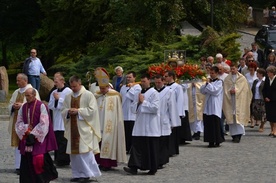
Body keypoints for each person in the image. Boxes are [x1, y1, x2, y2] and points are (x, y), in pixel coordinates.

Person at [62, 75, 102, 182]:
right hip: (72, 128)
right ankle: (77, 174)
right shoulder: (68, 96)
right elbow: (63, 109)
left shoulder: (88, 95)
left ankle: (87, 174)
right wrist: (68, 112)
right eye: (71, 86)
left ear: (80, 84)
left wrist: (78, 111)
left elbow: (92, 111)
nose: (73, 88)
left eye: (75, 86)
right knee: (74, 154)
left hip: (84, 129)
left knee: (84, 153)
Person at [15, 88, 58, 183]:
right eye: (26, 96)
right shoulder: (23, 107)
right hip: (26, 138)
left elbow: (44, 123)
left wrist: (33, 134)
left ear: (34, 95)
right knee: (26, 163)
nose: (27, 98)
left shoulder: (41, 106)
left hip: (38, 139)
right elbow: (19, 121)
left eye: (28, 96)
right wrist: (26, 130)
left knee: (38, 162)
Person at [123, 74, 160, 175]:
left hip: (150, 124)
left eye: (144, 81)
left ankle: (152, 168)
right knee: (136, 146)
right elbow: (133, 108)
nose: (143, 83)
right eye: (142, 81)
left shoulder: (154, 93)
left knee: (150, 147)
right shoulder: (138, 92)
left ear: (149, 81)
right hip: (139, 124)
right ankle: (133, 167)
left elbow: (155, 108)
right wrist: (138, 103)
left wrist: (143, 102)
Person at [94, 67, 127, 171]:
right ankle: (99, 162)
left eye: (103, 88)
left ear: (108, 86)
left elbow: (117, 112)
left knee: (108, 142)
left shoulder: (115, 96)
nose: (102, 90)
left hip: (110, 125)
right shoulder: (97, 95)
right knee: (99, 143)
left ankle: (107, 163)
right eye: (100, 88)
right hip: (99, 123)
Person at [8, 73, 40, 175]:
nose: (17, 82)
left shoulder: (33, 91)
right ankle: (18, 166)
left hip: (27, 123)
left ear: (25, 81)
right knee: (17, 144)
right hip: (16, 122)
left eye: (18, 80)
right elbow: (10, 104)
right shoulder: (16, 92)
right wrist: (13, 106)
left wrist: (21, 105)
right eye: (16, 80)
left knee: (26, 143)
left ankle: (26, 166)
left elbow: (36, 105)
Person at [154, 75, 179, 169]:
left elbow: (172, 107)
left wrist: (173, 122)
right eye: (156, 82)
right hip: (155, 120)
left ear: (163, 81)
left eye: (159, 82)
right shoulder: (153, 91)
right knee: (156, 141)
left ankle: (162, 160)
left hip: (165, 119)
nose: (157, 84)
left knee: (163, 141)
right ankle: (156, 159)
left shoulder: (169, 91)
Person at [223, 63, 252, 143]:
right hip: (230, 100)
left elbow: (245, 90)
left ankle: (238, 135)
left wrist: (237, 91)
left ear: (237, 69)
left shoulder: (242, 78)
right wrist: (229, 91)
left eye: (234, 69)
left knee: (238, 117)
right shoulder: (227, 79)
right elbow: (225, 88)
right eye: (231, 69)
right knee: (232, 118)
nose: (232, 70)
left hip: (239, 100)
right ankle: (233, 135)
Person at [48, 74, 72, 167]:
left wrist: (59, 99)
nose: (55, 83)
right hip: (56, 117)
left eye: (56, 82)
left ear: (62, 81)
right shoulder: (54, 92)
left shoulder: (68, 91)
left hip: (64, 118)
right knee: (57, 140)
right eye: (54, 81)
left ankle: (63, 160)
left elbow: (68, 103)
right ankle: (57, 158)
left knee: (63, 140)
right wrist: (55, 100)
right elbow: (50, 105)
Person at [200, 66, 224, 147]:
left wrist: (209, 85)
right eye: (210, 73)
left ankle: (217, 140)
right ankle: (210, 141)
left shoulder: (219, 82)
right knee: (208, 123)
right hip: (207, 104)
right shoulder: (209, 82)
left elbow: (215, 91)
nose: (211, 75)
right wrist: (207, 84)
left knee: (215, 123)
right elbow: (202, 90)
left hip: (215, 105)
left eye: (213, 73)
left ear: (217, 73)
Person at [120, 71, 142, 154]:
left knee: (132, 131)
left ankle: (132, 148)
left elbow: (134, 97)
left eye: (130, 77)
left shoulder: (137, 87)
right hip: (124, 111)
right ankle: (126, 147)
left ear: (134, 78)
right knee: (125, 132)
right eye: (127, 77)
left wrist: (131, 88)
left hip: (132, 113)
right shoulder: (123, 87)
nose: (128, 79)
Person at [163, 71, 184, 156]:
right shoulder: (164, 87)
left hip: (174, 112)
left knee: (173, 133)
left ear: (171, 77)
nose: (164, 78)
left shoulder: (177, 87)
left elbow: (180, 100)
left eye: (166, 76)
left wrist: (178, 113)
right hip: (166, 112)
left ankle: (173, 150)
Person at [263, 66, 276, 137]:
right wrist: (265, 97)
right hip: (268, 101)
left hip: (274, 101)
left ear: (272, 73)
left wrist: (272, 98)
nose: (267, 74)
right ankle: (271, 130)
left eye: (268, 72)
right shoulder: (267, 80)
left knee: (275, 116)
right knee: (270, 116)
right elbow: (264, 89)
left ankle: (275, 130)